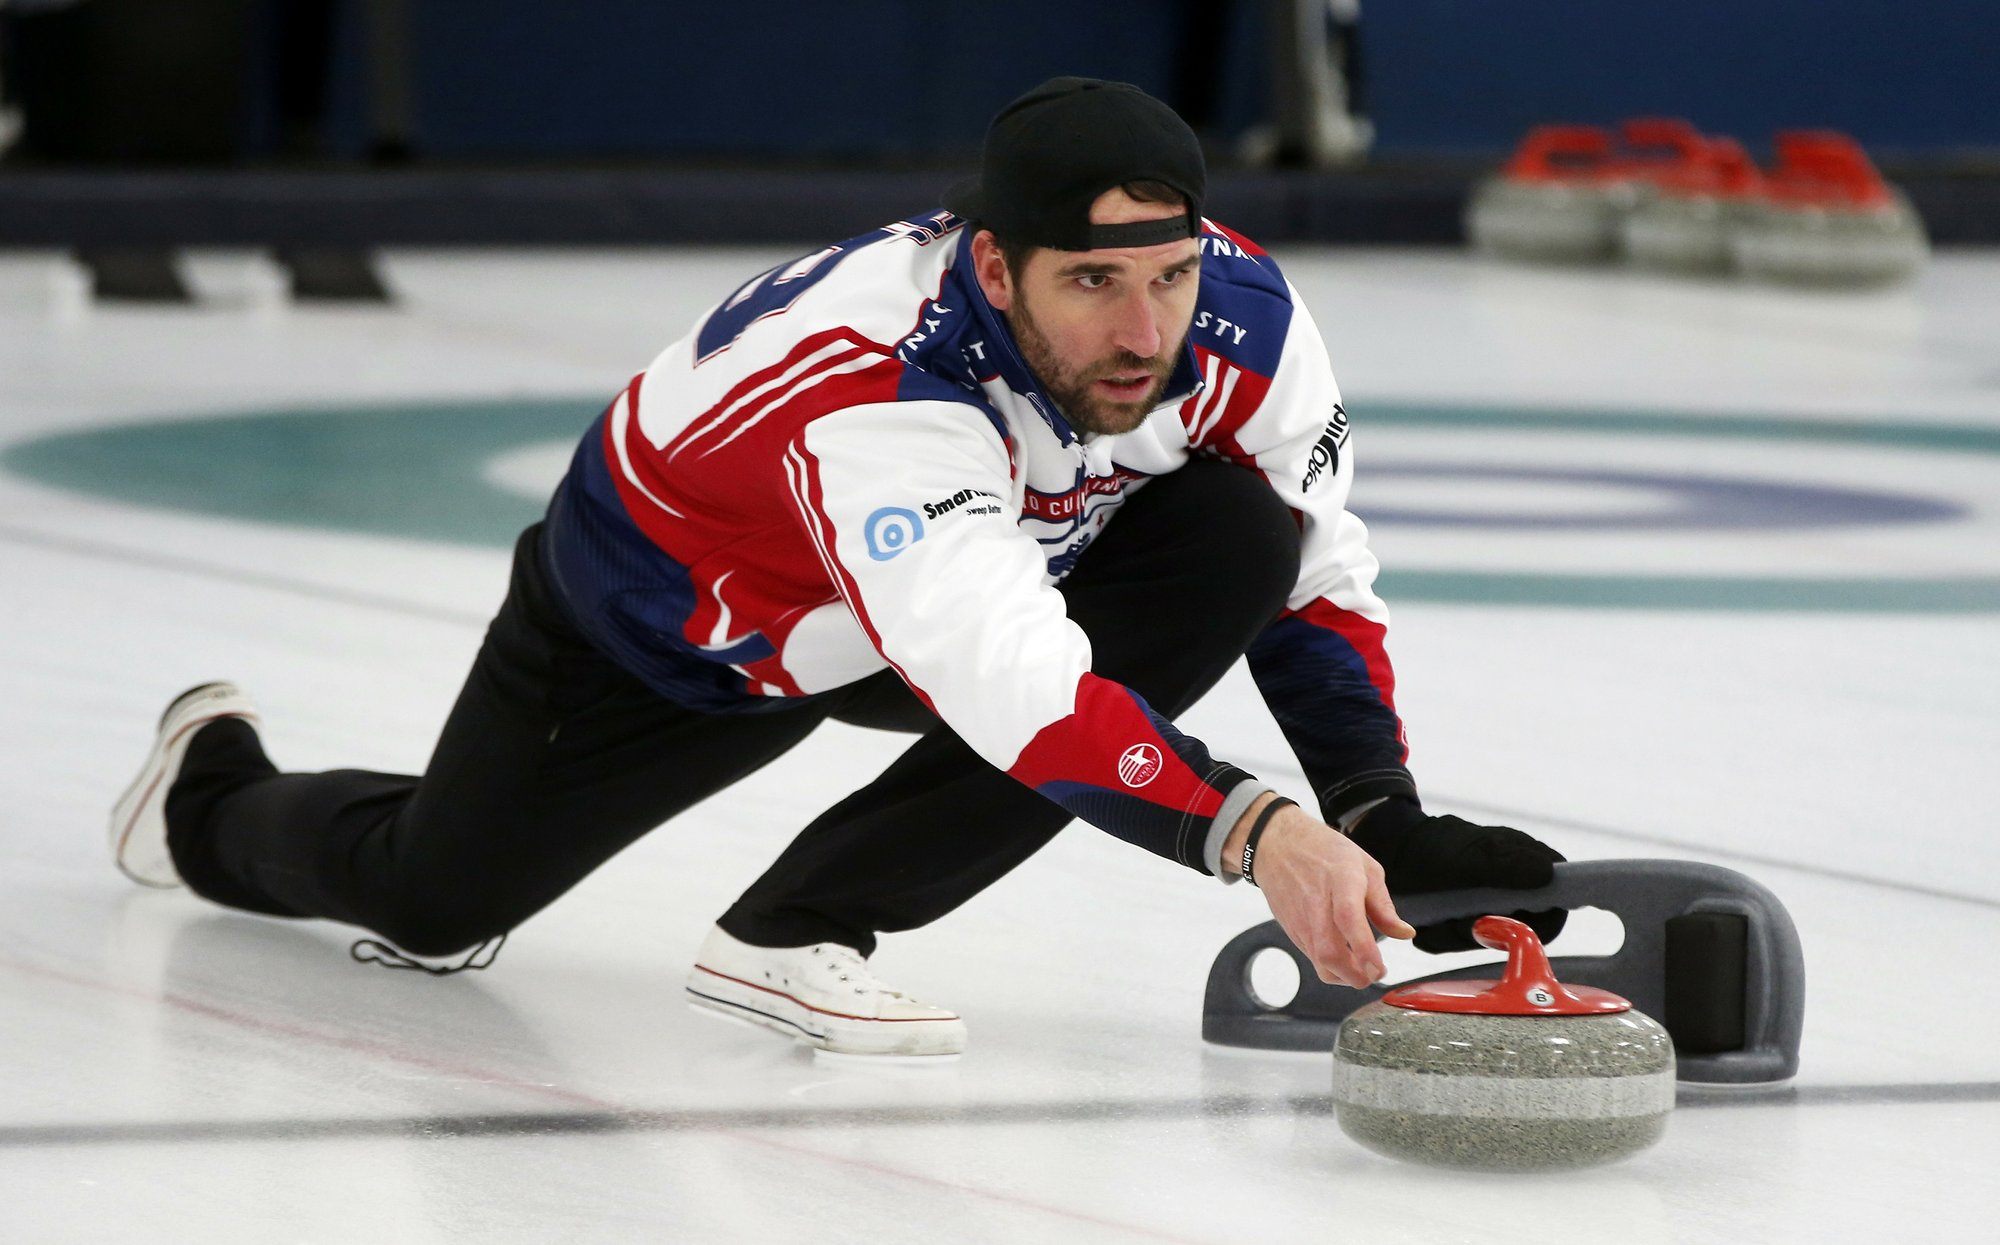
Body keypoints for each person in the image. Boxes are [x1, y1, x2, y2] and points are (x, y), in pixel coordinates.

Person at [109, 77, 1564, 1058]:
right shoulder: (879, 393)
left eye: (1169, 275)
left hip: (929, 606)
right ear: (994, 268)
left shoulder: (1243, 318)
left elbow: (1316, 566)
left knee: (1244, 529)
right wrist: (1259, 833)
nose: (1145, 332)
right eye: (1094, 283)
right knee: (435, 899)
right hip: (670, 630)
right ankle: (205, 790)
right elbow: (1019, 691)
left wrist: (1381, 808)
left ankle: (793, 928)